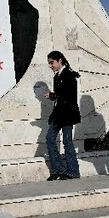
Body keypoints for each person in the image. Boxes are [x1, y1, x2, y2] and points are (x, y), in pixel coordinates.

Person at [45, 50, 81, 180]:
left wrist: (53, 95)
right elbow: (59, 98)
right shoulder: (57, 76)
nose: (51, 66)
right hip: (58, 114)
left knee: (67, 142)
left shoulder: (69, 75)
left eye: (52, 62)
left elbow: (68, 96)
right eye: (49, 63)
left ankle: (73, 171)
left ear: (60, 60)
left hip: (67, 114)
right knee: (49, 139)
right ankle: (58, 169)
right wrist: (53, 97)